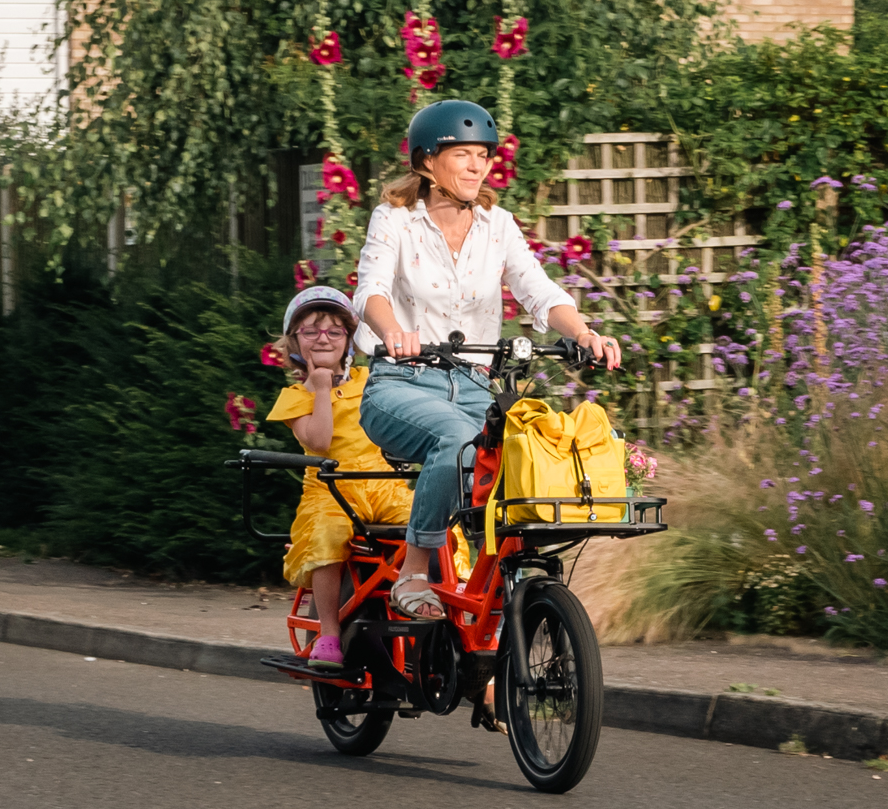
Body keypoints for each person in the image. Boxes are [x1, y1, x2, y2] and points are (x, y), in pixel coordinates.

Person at [353, 99, 622, 620]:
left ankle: (499, 595)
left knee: (530, 453)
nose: (478, 166)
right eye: (463, 155)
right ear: (427, 161)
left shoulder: (497, 225)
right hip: (400, 384)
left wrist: (586, 333)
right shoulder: (395, 219)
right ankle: (412, 573)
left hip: (475, 386)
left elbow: (538, 290)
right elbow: (372, 291)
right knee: (457, 440)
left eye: (483, 155)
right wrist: (393, 333)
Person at [266, 287, 470, 667]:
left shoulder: (370, 380)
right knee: (327, 536)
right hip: (331, 491)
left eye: (334, 331)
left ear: (350, 340)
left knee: (440, 522)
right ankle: (328, 632)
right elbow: (320, 441)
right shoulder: (294, 395)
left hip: (384, 485)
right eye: (311, 331)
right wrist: (322, 389)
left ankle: (456, 613)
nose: (323, 338)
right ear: (294, 342)